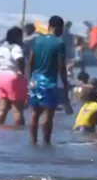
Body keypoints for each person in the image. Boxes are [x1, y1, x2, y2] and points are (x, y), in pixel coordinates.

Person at [29, 15, 70, 144]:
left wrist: (31, 76)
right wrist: (65, 83)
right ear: (58, 27)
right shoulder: (59, 43)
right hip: (49, 81)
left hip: (35, 79)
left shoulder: (37, 40)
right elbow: (61, 66)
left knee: (35, 113)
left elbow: (31, 60)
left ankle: (32, 141)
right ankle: (46, 142)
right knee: (48, 113)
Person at [0, 26, 28, 126]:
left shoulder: (0, 48)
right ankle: (19, 131)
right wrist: (22, 72)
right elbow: (20, 60)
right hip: (13, 77)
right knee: (17, 109)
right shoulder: (16, 48)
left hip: (0, 77)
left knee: (2, 108)